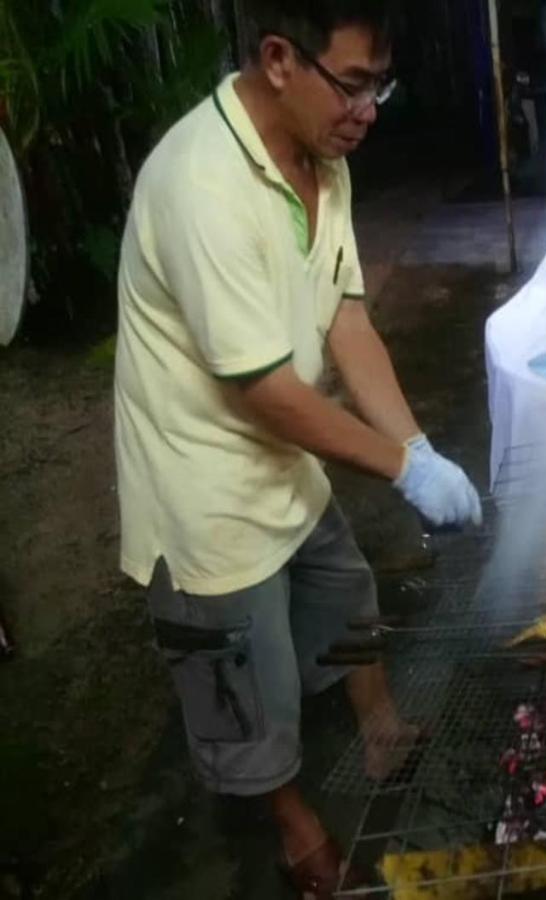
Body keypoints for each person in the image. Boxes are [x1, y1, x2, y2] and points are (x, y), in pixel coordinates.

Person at [113, 0, 483, 893]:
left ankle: (382, 731)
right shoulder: (203, 183)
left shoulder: (323, 158)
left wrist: (418, 446)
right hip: (204, 485)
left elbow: (346, 319)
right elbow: (268, 392)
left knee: (344, 596)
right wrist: (397, 468)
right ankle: (296, 830)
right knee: (249, 685)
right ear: (279, 59)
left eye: (379, 87)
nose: (370, 110)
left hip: (281, 463)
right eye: (353, 84)